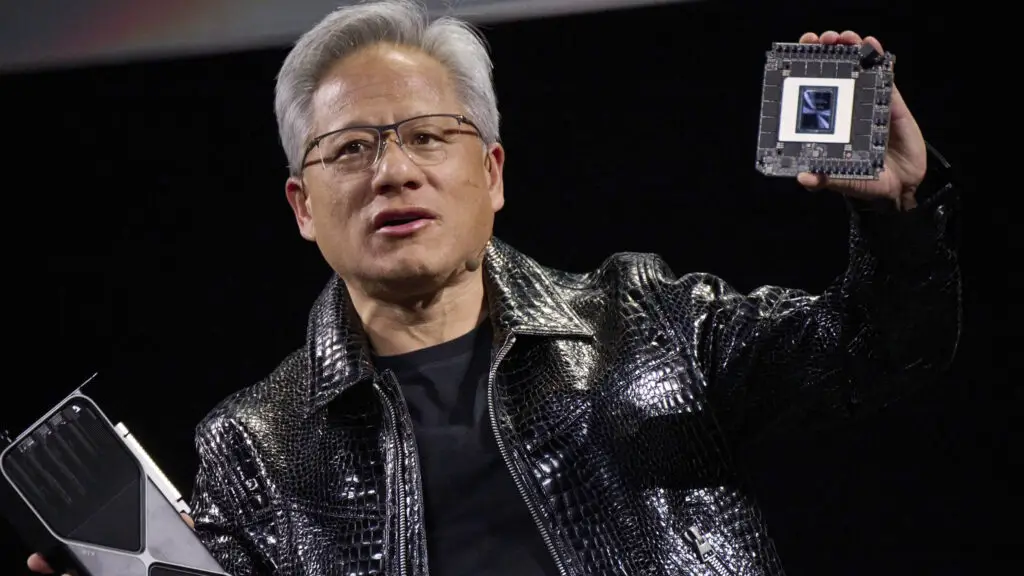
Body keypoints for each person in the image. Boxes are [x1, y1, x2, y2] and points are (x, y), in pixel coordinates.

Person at [28, 0, 961, 574]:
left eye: (429, 136)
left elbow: (874, 349)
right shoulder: (255, 449)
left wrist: (900, 216)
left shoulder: (643, 318)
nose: (393, 172)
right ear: (302, 205)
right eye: (350, 149)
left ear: (495, 174)